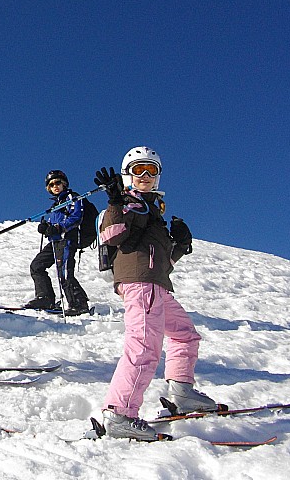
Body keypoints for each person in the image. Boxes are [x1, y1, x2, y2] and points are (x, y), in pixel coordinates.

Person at [94, 146, 217, 440]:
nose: (145, 176)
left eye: (151, 170)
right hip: (141, 285)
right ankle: (119, 413)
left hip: (155, 284)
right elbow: (111, 235)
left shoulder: (151, 210)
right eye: (138, 170)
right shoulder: (130, 203)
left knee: (185, 334)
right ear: (127, 175)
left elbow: (161, 265)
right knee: (143, 348)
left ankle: (182, 392)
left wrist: (180, 247)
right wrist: (115, 202)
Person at [26, 170, 90, 315]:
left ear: (64, 183)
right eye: (51, 184)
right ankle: (45, 297)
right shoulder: (56, 205)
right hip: (55, 242)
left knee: (65, 273)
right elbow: (53, 224)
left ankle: (79, 303)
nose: (55, 186)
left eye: (57, 182)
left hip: (67, 239)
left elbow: (76, 217)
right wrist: (46, 228)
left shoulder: (72, 198)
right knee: (37, 266)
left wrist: (58, 228)